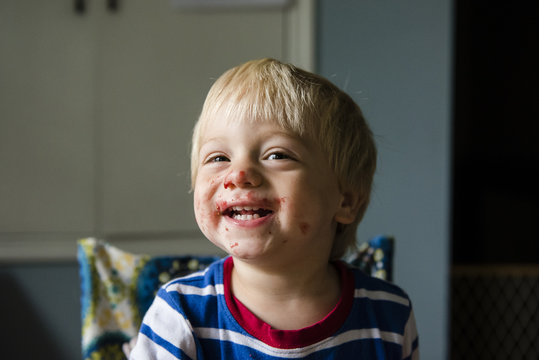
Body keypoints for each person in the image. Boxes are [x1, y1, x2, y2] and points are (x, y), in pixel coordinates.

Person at [129, 58, 419, 359]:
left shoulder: (390, 317)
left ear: (344, 201)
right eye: (218, 158)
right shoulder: (180, 316)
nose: (239, 174)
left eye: (277, 154)